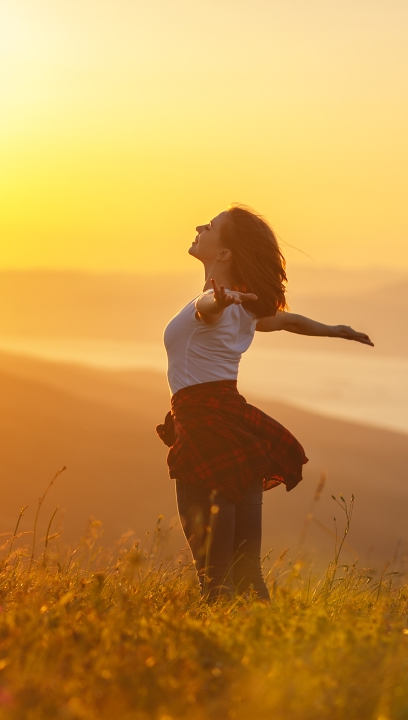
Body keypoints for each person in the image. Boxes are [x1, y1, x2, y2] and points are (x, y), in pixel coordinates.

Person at [156, 205, 372, 601]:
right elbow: (289, 321)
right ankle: (265, 642)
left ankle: (222, 655)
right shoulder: (242, 309)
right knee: (246, 571)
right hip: (236, 430)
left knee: (215, 578)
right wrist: (334, 331)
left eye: (211, 226)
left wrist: (219, 300)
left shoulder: (217, 305)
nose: (200, 227)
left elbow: (209, 310)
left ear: (224, 254)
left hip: (205, 431)